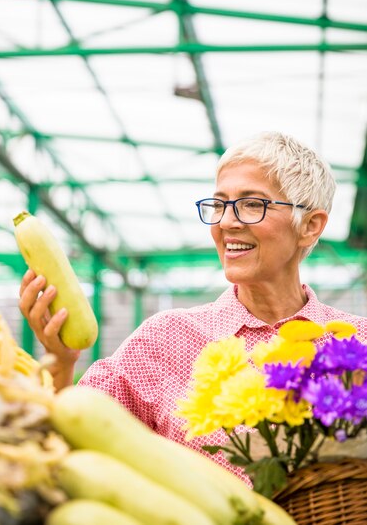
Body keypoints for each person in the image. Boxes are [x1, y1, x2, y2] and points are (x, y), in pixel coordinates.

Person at [19, 131, 367, 482]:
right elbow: (71, 441)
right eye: (219, 204)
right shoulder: (163, 340)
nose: (227, 222)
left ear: (310, 226)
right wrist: (61, 362)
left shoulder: (359, 342)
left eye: (251, 204)